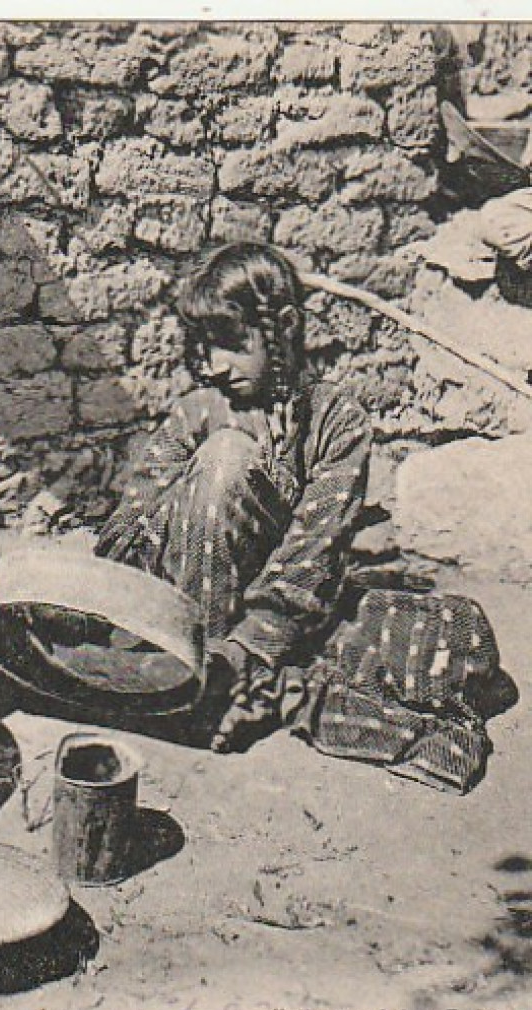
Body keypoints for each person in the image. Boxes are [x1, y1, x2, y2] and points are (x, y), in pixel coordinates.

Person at [95, 243, 372, 754]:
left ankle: (221, 678)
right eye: (206, 346)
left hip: (263, 620)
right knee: (222, 456)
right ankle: (192, 670)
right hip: (175, 606)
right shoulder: (197, 412)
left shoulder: (338, 423)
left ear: (284, 326)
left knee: (227, 458)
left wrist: (247, 649)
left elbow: (314, 556)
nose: (216, 365)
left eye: (230, 342)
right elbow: (126, 527)